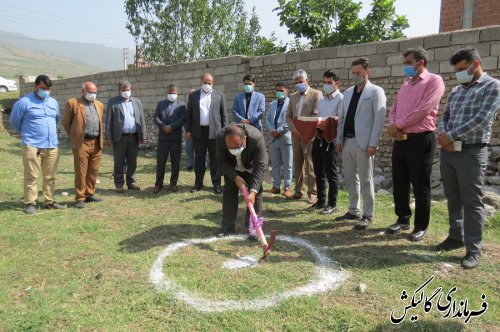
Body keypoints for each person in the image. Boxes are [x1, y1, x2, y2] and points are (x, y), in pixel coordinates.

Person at [435, 47, 500, 269]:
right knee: (453, 198)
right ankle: (455, 236)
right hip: (449, 151)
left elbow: (482, 119)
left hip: (471, 151)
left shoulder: (493, 87)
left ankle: (474, 249)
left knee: (472, 202)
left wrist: (450, 136)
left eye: (462, 69)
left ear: (475, 64)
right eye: (457, 71)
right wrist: (443, 136)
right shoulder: (457, 90)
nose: (460, 74)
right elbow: (444, 115)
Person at [386, 47, 445, 241]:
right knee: (400, 181)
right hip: (401, 140)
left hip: (420, 139)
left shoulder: (434, 81)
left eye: (408, 63)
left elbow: (424, 109)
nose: (405, 67)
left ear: (421, 62)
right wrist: (393, 125)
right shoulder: (406, 84)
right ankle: (403, 218)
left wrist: (398, 125)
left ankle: (421, 225)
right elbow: (394, 108)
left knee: (420, 184)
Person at [335, 57, 386, 230]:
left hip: (364, 143)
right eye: (354, 72)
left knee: (366, 179)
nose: (356, 75)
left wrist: (373, 143)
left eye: (359, 73)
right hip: (347, 140)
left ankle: (367, 214)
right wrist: (339, 139)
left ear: (367, 72)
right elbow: (341, 118)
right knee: (349, 178)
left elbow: (379, 120)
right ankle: (353, 209)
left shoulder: (375, 92)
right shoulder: (348, 92)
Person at [10, 74, 66, 214]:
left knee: (50, 176)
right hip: (32, 145)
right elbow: (14, 121)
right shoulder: (24, 102)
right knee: (31, 176)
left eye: (48, 89)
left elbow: (56, 119)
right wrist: (27, 134)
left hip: (52, 145)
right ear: (35, 86)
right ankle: (30, 202)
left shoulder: (53, 102)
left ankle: (49, 201)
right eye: (43, 88)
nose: (46, 91)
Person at [215, 124, 268, 238]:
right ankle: (228, 227)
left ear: (245, 139)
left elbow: (260, 165)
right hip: (232, 168)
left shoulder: (256, 138)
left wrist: (253, 191)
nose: (234, 150)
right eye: (230, 148)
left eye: (237, 147)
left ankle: (253, 228)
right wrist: (235, 177)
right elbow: (222, 161)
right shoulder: (220, 137)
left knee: (256, 194)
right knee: (229, 192)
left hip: (251, 168)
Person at [62, 81, 106, 209]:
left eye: (95, 92)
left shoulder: (99, 105)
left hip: (96, 142)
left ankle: (89, 193)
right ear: (83, 91)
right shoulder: (73, 103)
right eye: (90, 92)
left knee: (93, 170)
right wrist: (75, 136)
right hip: (82, 142)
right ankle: (80, 197)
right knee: (81, 171)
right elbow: (66, 123)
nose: (93, 95)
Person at [185, 72, 228, 194]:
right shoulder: (193, 96)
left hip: (215, 132)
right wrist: (188, 130)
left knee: (215, 159)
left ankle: (216, 184)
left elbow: (224, 116)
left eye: (209, 83)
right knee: (199, 159)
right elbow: (189, 115)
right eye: (205, 82)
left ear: (213, 83)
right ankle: (198, 183)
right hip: (199, 132)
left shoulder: (219, 95)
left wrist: (225, 132)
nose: (207, 85)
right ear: (201, 81)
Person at [308, 70, 343, 214]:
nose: (326, 85)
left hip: (331, 140)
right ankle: (321, 201)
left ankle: (332, 204)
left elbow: (340, 120)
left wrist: (331, 121)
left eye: (329, 83)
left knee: (331, 172)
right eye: (324, 82)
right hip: (318, 138)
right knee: (318, 170)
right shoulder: (322, 101)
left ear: (337, 83)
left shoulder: (341, 99)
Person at [286, 69, 323, 203]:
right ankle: (298, 191)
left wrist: (304, 130)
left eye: (300, 82)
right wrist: (294, 130)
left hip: (309, 135)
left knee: (310, 165)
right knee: (297, 163)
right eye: (296, 83)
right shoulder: (293, 96)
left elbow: (316, 116)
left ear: (307, 81)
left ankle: (313, 193)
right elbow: (288, 115)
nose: (298, 84)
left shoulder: (316, 94)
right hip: (295, 135)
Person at [105, 80, 147, 192]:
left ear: (131, 89)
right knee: (119, 162)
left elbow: (141, 119)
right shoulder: (113, 102)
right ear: (119, 91)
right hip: (120, 137)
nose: (126, 92)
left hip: (134, 137)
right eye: (123, 90)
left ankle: (131, 182)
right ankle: (119, 184)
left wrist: (143, 135)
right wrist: (108, 137)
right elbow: (108, 120)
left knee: (132, 161)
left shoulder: (137, 102)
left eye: (128, 90)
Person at [153, 84, 186, 193]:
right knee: (161, 162)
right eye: (170, 93)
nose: (172, 94)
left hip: (175, 138)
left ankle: (173, 183)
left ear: (177, 93)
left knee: (175, 162)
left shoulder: (182, 105)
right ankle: (158, 184)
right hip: (163, 138)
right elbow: (156, 117)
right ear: (166, 93)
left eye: (174, 93)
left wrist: (171, 127)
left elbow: (182, 119)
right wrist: (163, 126)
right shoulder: (160, 104)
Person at [265, 81, 293, 198]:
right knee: (275, 164)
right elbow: (267, 119)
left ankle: (287, 187)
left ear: (286, 91)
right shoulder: (272, 104)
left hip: (285, 137)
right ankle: (276, 186)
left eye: (282, 90)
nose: (279, 92)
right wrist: (272, 130)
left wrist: (279, 130)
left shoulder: (291, 103)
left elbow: (291, 119)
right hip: (273, 139)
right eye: (278, 91)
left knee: (287, 165)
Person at [184, 88, 196, 171]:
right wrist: (186, 130)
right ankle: (190, 164)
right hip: (188, 131)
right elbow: (184, 119)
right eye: (190, 94)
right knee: (188, 148)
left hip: (199, 131)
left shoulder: (200, 105)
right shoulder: (185, 106)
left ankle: (204, 163)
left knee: (202, 149)